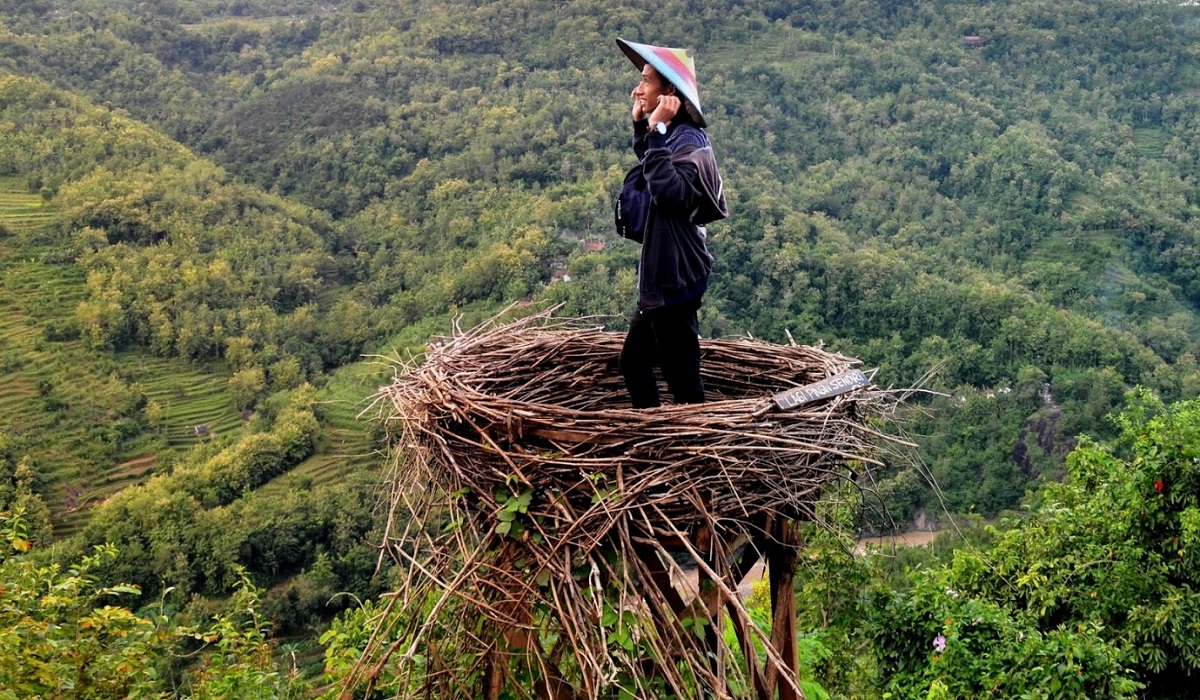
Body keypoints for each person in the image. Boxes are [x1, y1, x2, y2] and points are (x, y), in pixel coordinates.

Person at [615, 38, 728, 409]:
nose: (637, 88)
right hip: (662, 277)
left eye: (645, 80)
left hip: (676, 280)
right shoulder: (673, 135)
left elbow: (670, 193)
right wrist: (642, 129)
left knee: (682, 381)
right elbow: (654, 166)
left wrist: (654, 130)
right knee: (633, 363)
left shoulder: (690, 140)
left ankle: (694, 450)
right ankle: (652, 432)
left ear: (668, 91)